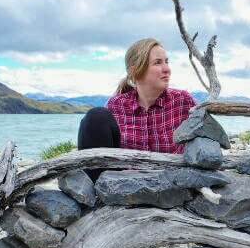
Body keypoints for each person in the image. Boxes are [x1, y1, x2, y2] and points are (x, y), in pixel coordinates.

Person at [77, 38, 197, 180]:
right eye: (158, 62)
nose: (167, 69)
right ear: (136, 71)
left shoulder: (183, 101)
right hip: (124, 188)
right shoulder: (116, 105)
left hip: (172, 186)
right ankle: (96, 196)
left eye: (167, 61)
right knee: (95, 117)